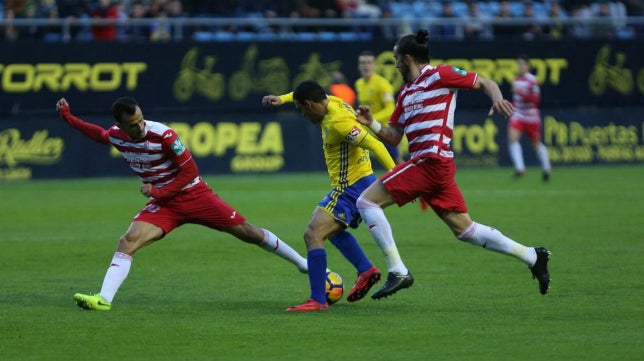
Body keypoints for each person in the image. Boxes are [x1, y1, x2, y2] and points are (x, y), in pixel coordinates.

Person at [56, 97, 310, 311]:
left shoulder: (163, 134)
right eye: (133, 125)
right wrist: (68, 117)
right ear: (121, 125)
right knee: (128, 241)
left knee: (249, 233)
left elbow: (190, 171)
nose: (141, 126)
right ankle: (103, 299)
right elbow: (100, 134)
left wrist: (160, 190)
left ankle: (303, 264)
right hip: (165, 205)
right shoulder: (117, 136)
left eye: (141, 119)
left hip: (194, 195)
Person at [354, 29, 551, 300]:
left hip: (430, 161)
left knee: (366, 202)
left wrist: (496, 98)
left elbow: (485, 82)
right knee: (466, 230)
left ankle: (398, 270)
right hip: (434, 166)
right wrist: (372, 123)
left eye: (397, 59)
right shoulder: (406, 93)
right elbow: (394, 135)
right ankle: (532, 256)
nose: (395, 64)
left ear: (408, 58)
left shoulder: (440, 74)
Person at [262, 80, 396, 311]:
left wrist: (397, 177)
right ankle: (366, 269)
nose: (304, 115)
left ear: (311, 104)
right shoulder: (332, 101)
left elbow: (376, 144)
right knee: (331, 232)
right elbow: (302, 93)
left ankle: (318, 300)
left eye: (302, 109)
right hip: (356, 182)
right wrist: (282, 98)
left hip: (353, 186)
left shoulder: (339, 123)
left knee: (313, 233)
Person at [508, 55, 552, 181]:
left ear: (528, 66)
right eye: (519, 64)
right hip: (518, 114)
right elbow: (516, 100)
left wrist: (520, 92)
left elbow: (536, 100)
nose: (520, 67)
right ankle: (520, 169)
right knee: (512, 138)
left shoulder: (532, 80)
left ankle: (547, 168)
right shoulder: (515, 80)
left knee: (536, 144)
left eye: (522, 64)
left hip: (531, 116)